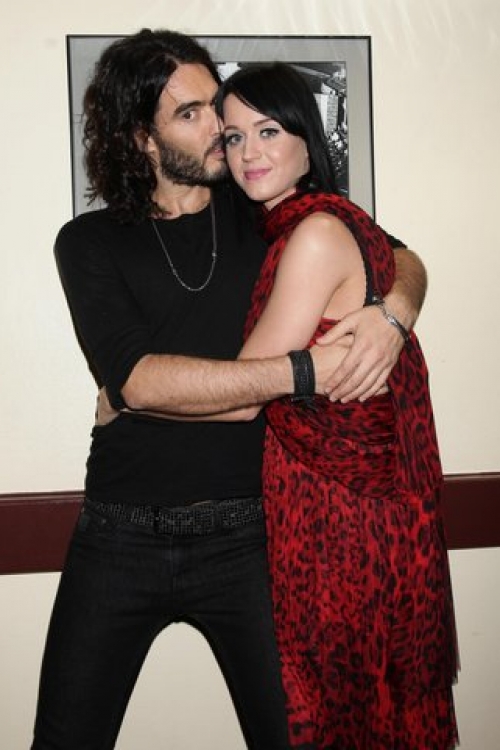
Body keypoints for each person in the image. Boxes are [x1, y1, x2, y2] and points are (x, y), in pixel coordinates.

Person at [31, 29, 427, 750]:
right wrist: (305, 371)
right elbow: (138, 380)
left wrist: (394, 314)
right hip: (119, 532)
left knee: (297, 737)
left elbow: (396, 253)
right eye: (190, 114)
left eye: (215, 106)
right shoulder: (89, 241)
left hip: (249, 534)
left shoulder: (262, 213)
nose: (220, 128)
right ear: (143, 139)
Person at [210, 62, 459, 749]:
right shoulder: (309, 223)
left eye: (268, 131)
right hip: (349, 506)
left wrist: (131, 395)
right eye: (234, 137)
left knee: (335, 709)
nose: (249, 152)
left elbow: (243, 396)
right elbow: (404, 256)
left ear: (306, 138)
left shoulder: (315, 232)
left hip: (338, 518)